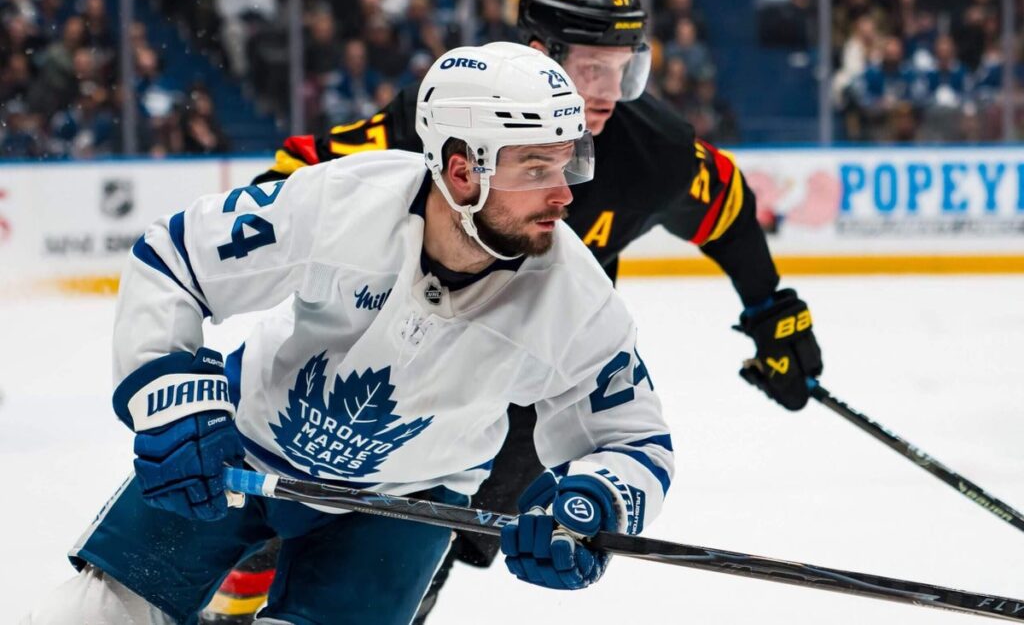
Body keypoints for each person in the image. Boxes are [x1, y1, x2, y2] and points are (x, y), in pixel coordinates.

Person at [208, 0, 823, 624]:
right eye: (593, 68)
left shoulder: (655, 149)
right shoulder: (458, 111)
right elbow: (312, 165)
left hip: (536, 364)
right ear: (541, 54)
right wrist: (264, 223)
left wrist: (770, 309)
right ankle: (254, 569)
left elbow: (726, 206)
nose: (611, 93)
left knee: (444, 528)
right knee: (327, 476)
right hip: (410, 336)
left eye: (625, 70)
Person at [21, 43, 674, 624]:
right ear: (461, 171)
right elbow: (177, 256)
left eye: (567, 164)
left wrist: (593, 503)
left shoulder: (576, 298)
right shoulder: (344, 201)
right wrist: (173, 400)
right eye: (535, 169)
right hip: (241, 448)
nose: (564, 195)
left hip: (405, 505)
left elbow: (633, 437)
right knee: (86, 617)